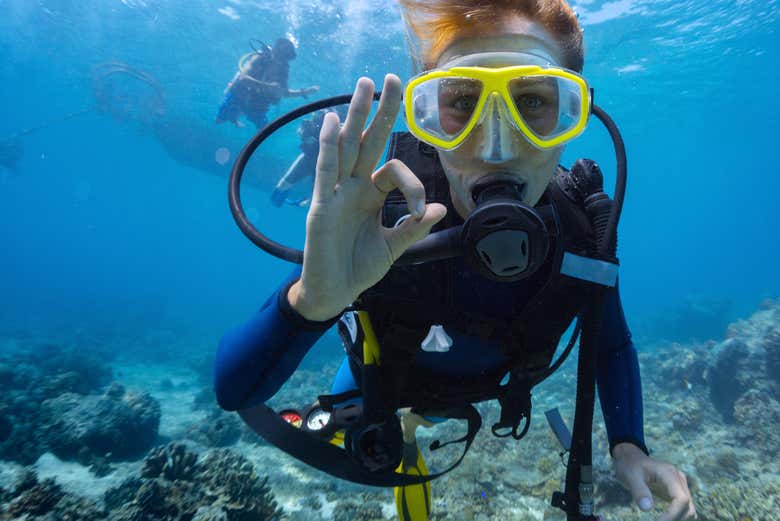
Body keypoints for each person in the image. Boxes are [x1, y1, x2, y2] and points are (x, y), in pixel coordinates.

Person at [215, 2, 697, 520]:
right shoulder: (379, 222)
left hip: (494, 388)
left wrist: (630, 445)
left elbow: (612, 343)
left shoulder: (581, 234)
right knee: (361, 425)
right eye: (462, 101)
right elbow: (234, 390)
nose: (495, 149)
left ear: (569, 118)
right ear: (425, 121)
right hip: (383, 383)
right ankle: (401, 426)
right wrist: (311, 301)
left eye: (532, 102)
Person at [216, 37, 320, 129]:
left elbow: (285, 93)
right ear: (275, 50)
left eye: (286, 59)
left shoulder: (283, 71)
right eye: (282, 56)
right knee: (219, 120)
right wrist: (267, 86)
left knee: (265, 129)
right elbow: (242, 78)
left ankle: (236, 116)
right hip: (238, 97)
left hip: (257, 104)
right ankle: (234, 117)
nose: (283, 62)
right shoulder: (259, 58)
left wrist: (304, 91)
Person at [270, 107, 347, 207]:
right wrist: (305, 134)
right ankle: (285, 202)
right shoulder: (314, 120)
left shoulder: (342, 123)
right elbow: (301, 131)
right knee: (281, 187)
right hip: (308, 158)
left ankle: (303, 204)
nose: (324, 113)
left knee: (319, 196)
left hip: (327, 162)